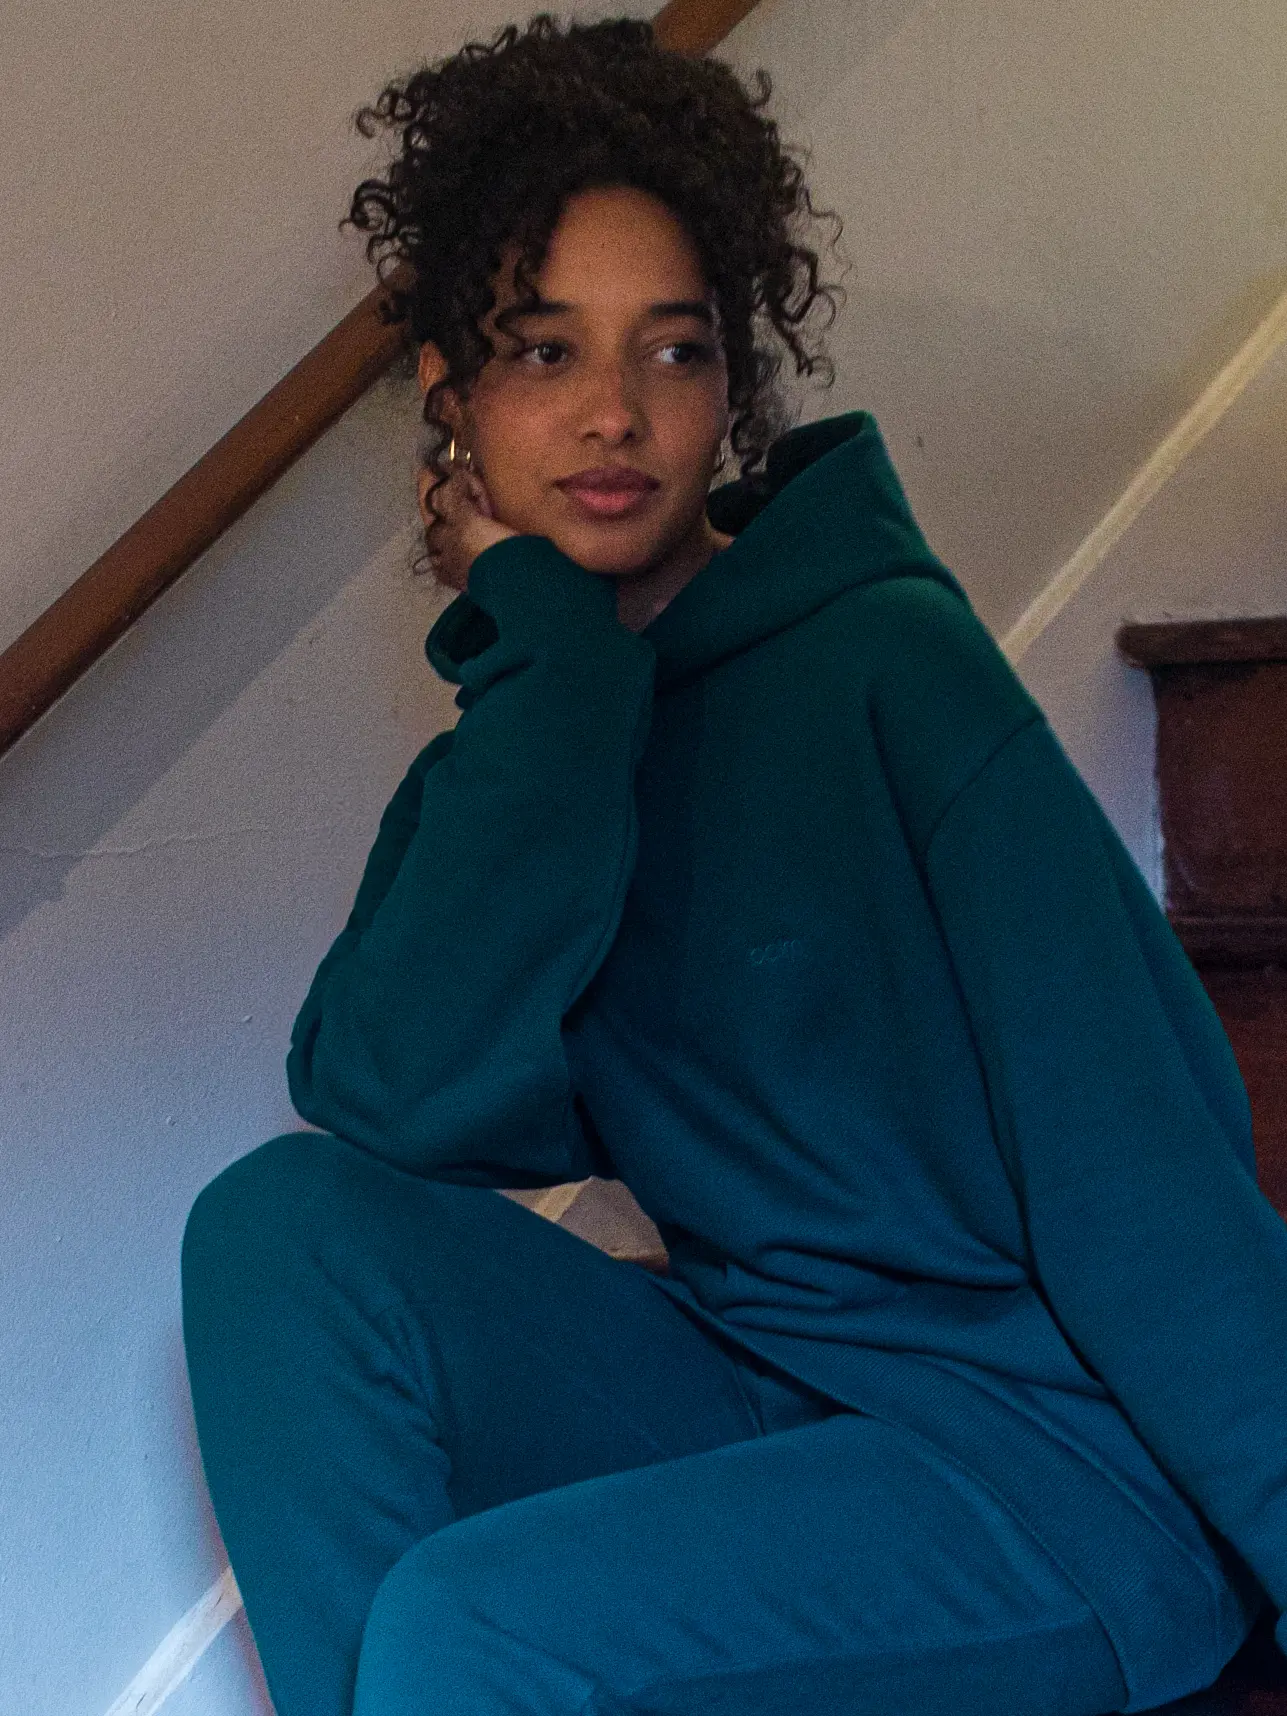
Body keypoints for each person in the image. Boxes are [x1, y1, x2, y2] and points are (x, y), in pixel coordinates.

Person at [181, 15, 1287, 1716]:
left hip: (1046, 1474)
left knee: (473, 1628)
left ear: (731, 386)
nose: (614, 412)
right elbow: (399, 1100)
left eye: (674, 351)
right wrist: (552, 669)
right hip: (759, 1394)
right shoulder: (537, 736)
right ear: (450, 404)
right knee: (279, 1230)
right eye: (543, 353)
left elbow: (1146, 1177)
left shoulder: (884, 668)